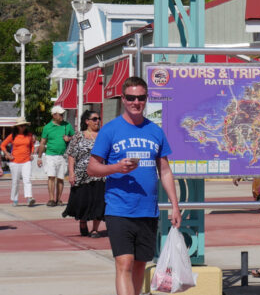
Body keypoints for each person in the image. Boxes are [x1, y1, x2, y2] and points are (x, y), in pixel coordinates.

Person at [87, 76, 181, 295]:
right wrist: (116, 168)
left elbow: (165, 170)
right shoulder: (110, 130)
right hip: (119, 209)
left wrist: (175, 205)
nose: (136, 102)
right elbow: (92, 168)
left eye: (140, 98)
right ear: (123, 99)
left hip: (148, 211)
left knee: (140, 264)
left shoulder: (155, 131)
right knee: (125, 264)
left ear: (146, 99)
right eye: (131, 98)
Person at [62, 110, 105, 237]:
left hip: (100, 174)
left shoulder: (103, 135)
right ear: (87, 121)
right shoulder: (78, 136)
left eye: (99, 119)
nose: (97, 121)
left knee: (99, 201)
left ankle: (95, 229)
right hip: (82, 174)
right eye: (95, 119)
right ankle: (82, 221)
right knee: (83, 201)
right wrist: (71, 173)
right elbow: (71, 155)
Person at [36, 105, 75, 206]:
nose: (62, 115)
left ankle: (59, 199)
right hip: (50, 155)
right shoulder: (47, 127)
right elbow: (42, 143)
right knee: (51, 177)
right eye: (60, 114)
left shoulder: (67, 125)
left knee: (61, 178)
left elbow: (75, 137)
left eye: (63, 114)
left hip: (63, 156)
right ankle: (51, 199)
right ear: (54, 115)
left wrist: (69, 138)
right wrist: (39, 157)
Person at [1, 118, 36, 206]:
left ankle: (29, 198)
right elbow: (2, 145)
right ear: (17, 127)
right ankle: (15, 199)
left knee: (27, 180)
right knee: (15, 181)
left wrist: (32, 154)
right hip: (15, 161)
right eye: (21, 126)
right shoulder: (12, 136)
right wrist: (7, 154)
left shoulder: (29, 135)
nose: (23, 127)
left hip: (26, 161)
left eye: (24, 125)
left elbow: (32, 146)